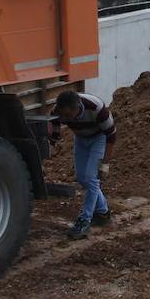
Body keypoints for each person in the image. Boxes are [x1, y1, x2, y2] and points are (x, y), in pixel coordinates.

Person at [51, 90, 115, 239]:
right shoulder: (59, 110)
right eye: (63, 115)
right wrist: (53, 139)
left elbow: (111, 136)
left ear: (77, 108)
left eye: (67, 116)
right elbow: (54, 120)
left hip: (99, 139)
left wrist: (105, 164)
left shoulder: (97, 108)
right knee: (81, 178)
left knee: (91, 178)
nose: (65, 119)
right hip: (80, 138)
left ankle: (84, 221)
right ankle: (103, 211)